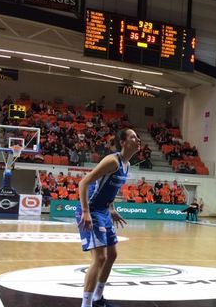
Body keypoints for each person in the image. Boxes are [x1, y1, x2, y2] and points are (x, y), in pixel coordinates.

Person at [76, 128, 140, 307]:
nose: (138, 140)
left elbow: (108, 189)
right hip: (91, 210)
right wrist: (86, 211)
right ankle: (86, 304)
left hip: (103, 211)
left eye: (137, 137)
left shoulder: (126, 165)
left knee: (112, 254)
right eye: (133, 137)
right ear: (123, 142)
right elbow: (84, 182)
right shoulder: (112, 161)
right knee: (100, 258)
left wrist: (111, 208)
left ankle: (97, 298)